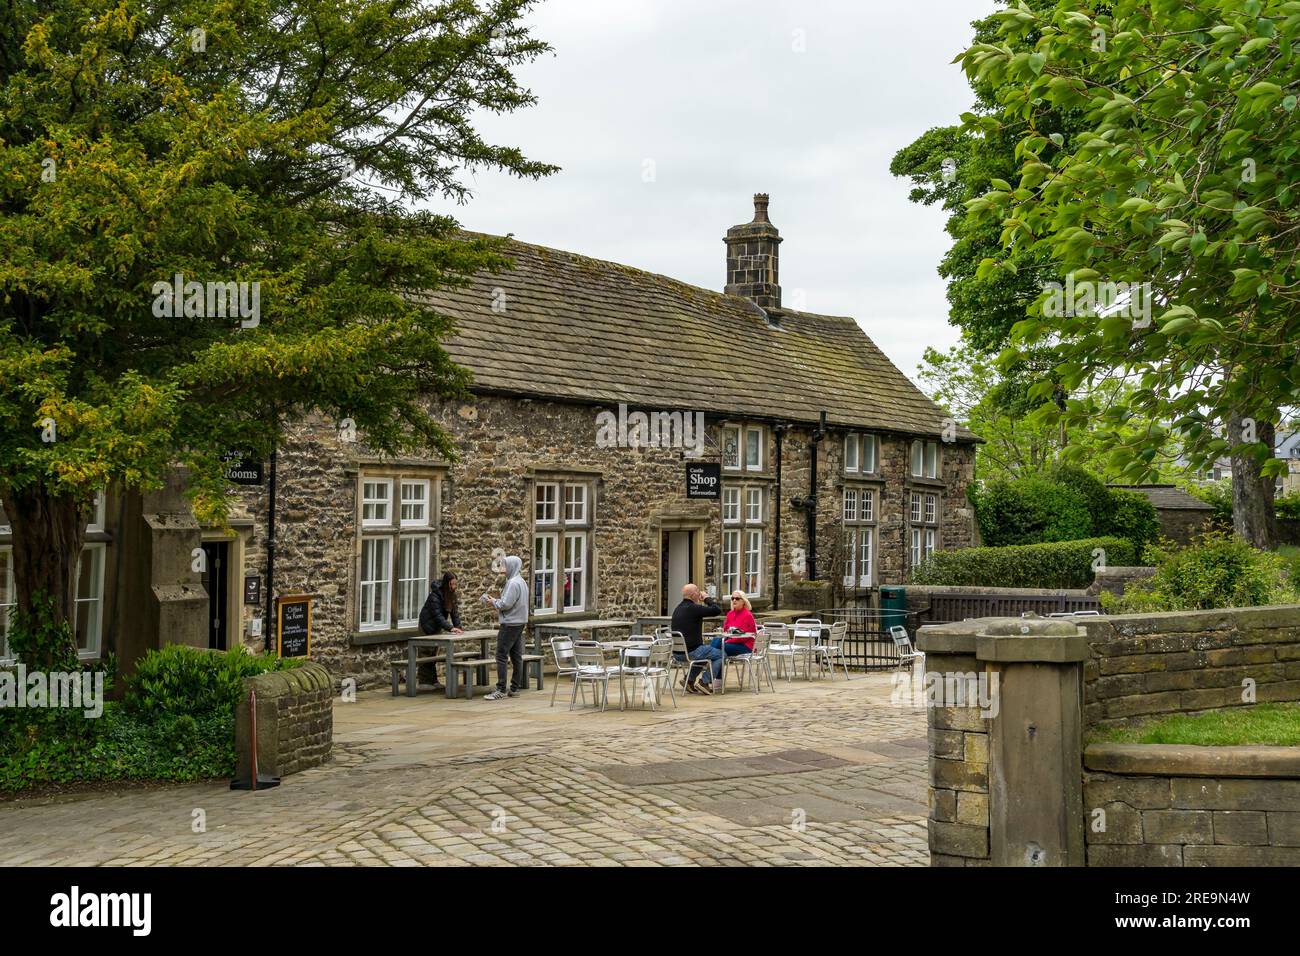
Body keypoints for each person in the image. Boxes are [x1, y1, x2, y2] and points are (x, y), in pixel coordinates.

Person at [481, 555, 528, 700]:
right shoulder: (522, 582)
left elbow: (505, 604)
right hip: (520, 623)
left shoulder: (513, 583)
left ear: (512, 566)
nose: (503, 569)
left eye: (505, 566)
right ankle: (514, 688)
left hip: (510, 623)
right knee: (516, 656)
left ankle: (500, 689)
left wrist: (492, 601)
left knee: (501, 655)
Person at [670, 583, 723, 694]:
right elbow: (716, 609)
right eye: (698, 592)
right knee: (721, 655)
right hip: (691, 652)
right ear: (693, 595)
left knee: (704, 654)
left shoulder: (677, 608)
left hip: (677, 653)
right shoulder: (693, 608)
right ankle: (704, 682)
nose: (699, 594)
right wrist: (706, 598)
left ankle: (688, 681)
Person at [418, 571, 463, 687]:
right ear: (446, 583)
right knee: (425, 652)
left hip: (436, 626)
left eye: (455, 584)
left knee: (433, 652)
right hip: (426, 625)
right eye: (451, 584)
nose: (454, 587)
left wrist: (458, 627)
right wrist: (450, 628)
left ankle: (433, 681)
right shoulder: (435, 596)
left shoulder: (451, 595)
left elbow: (454, 613)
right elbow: (438, 616)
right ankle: (424, 682)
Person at [710, 591, 756, 660]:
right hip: (732, 643)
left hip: (746, 646)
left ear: (743, 601)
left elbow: (744, 637)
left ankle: (708, 664)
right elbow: (725, 631)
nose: (734, 600)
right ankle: (714, 667)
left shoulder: (748, 615)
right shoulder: (730, 614)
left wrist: (727, 641)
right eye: (732, 598)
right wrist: (725, 639)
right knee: (716, 641)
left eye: (737, 598)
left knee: (717, 646)